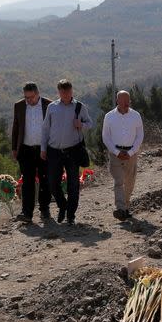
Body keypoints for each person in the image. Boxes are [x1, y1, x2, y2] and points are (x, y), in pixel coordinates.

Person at [40, 79, 93, 225]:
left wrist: (81, 124)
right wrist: (43, 148)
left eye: (68, 91)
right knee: (52, 183)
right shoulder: (52, 107)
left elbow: (90, 123)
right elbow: (45, 129)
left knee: (73, 184)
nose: (65, 94)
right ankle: (63, 206)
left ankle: (70, 215)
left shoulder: (79, 107)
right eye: (62, 92)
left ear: (72, 91)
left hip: (73, 151)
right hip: (53, 151)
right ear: (59, 92)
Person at [11, 82, 52, 223]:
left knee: (45, 179)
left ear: (38, 93)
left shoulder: (49, 105)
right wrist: (14, 148)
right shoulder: (19, 106)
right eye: (26, 97)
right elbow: (15, 128)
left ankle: (45, 209)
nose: (29, 100)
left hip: (44, 149)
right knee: (27, 182)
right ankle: (27, 212)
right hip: (26, 149)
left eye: (32, 97)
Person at [102, 90, 144, 220]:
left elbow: (140, 136)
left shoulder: (136, 116)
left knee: (130, 182)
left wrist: (131, 152)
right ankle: (120, 209)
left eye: (128, 100)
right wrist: (116, 152)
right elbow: (106, 136)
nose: (126, 103)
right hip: (115, 154)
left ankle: (125, 206)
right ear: (117, 101)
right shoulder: (109, 116)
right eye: (123, 100)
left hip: (132, 153)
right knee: (119, 181)